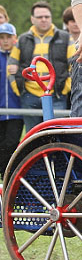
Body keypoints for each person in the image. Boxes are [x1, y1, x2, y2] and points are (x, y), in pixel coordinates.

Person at [9, 2, 74, 131]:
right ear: (32, 19)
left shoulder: (66, 38)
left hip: (56, 95)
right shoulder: (22, 39)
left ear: (51, 17)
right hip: (29, 96)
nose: (44, 20)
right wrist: (19, 89)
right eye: (39, 17)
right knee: (33, 137)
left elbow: (74, 65)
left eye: (47, 16)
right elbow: (11, 65)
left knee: (57, 135)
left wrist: (65, 88)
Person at [1, 22, 23, 177]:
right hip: (1, 109)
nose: (5, 41)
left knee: (11, 143)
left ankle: (6, 173)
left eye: (8, 37)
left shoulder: (20, 57)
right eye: (1, 37)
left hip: (17, 110)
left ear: (15, 38)